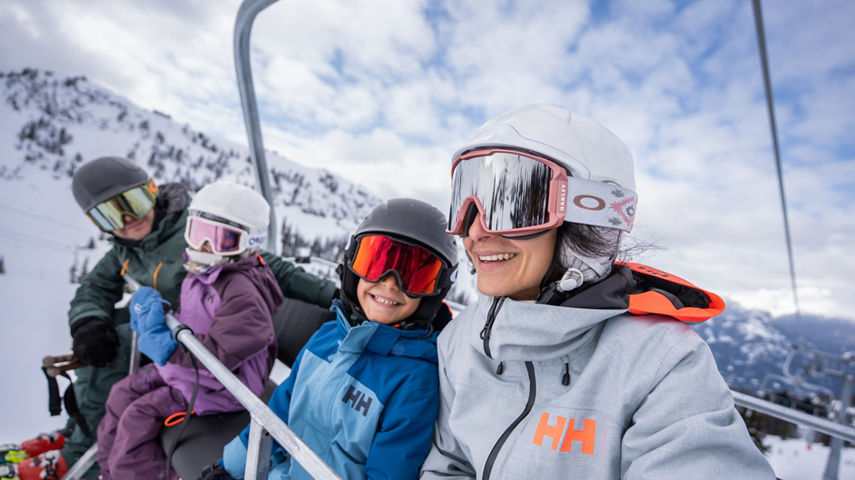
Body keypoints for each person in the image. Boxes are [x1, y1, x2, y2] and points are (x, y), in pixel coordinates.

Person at [419, 104, 777, 478]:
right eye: (467, 203)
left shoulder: (662, 363)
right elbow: (449, 464)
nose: (474, 231)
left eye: (510, 204)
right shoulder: (460, 340)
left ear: (586, 220)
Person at [9, 157, 338, 480]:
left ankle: (82, 449)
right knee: (102, 346)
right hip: (181, 345)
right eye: (110, 214)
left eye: (133, 204)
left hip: (199, 356)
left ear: (152, 192)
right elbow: (94, 287)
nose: (127, 219)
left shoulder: (204, 234)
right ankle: (78, 432)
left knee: (119, 354)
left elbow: (268, 268)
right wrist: (88, 321)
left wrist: (336, 294)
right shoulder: (126, 248)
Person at [201, 198, 458, 480]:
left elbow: (390, 472)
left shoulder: (414, 381)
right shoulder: (326, 337)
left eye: (415, 275)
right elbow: (278, 413)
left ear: (435, 292)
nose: (390, 283)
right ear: (352, 267)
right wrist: (230, 466)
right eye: (376, 261)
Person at [95, 180, 284, 480]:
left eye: (221, 241)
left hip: (222, 388)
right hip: (190, 370)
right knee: (121, 392)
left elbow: (221, 354)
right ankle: (107, 473)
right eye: (199, 235)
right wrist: (161, 316)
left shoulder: (243, 292)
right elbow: (196, 317)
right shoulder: (201, 272)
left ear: (249, 243)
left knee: (137, 417)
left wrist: (169, 346)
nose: (205, 248)